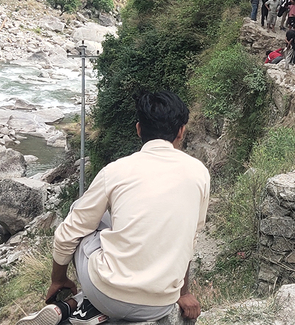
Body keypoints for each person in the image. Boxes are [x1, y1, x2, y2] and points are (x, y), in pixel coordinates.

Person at [18, 91, 209, 325]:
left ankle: (83, 303)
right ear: (181, 131)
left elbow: (68, 234)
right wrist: (183, 293)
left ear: (139, 129)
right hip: (159, 305)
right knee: (113, 218)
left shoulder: (116, 171)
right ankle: (81, 305)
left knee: (82, 213)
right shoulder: (199, 173)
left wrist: (58, 280)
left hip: (108, 295)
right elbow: (190, 240)